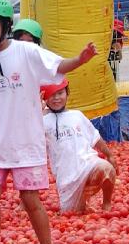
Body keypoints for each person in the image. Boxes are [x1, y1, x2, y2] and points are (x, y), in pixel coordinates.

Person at [0, 0, 98, 244]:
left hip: (25, 141)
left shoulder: (26, 52)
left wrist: (80, 59)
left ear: (6, 26)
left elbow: (57, 66)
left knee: (30, 198)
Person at [41, 79, 118, 213]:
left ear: (67, 93)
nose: (57, 98)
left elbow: (95, 137)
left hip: (87, 164)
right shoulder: (42, 122)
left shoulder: (77, 116)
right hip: (67, 179)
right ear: (45, 98)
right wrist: (38, 111)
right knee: (72, 213)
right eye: (52, 95)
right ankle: (82, 203)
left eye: (60, 93)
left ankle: (106, 203)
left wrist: (109, 155)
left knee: (106, 168)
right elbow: (28, 141)